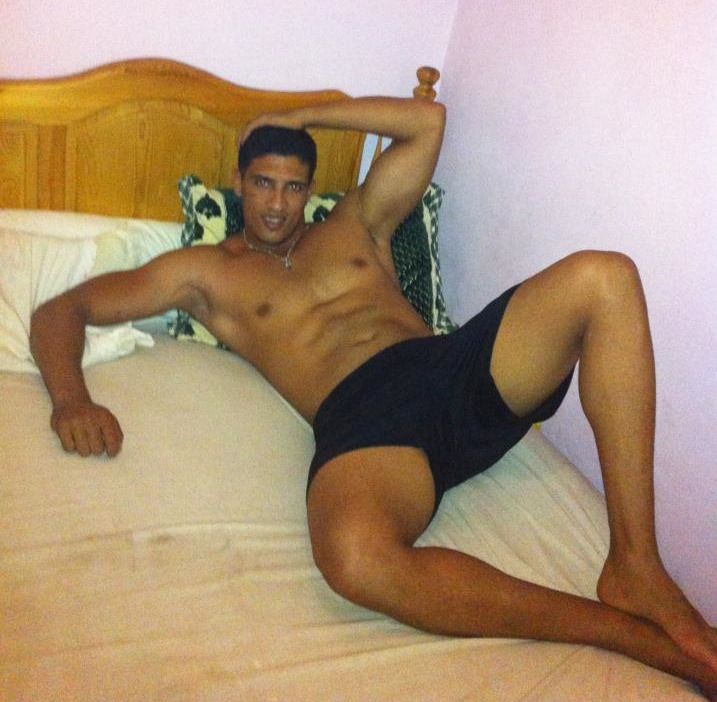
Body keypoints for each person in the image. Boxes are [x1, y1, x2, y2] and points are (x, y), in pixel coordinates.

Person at [30, 96, 717, 698]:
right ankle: (624, 634)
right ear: (237, 183)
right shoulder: (203, 272)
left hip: (449, 369)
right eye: (263, 183)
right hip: (367, 424)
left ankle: (635, 561)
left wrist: (303, 115)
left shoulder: (355, 223)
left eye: (294, 187)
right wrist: (69, 399)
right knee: (355, 560)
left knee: (604, 277)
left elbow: (427, 122)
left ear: (311, 190)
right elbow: (63, 309)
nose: (277, 204)